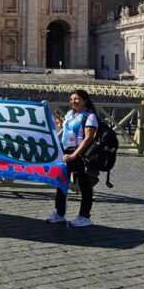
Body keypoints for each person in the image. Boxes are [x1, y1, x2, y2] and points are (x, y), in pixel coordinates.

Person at [47, 89, 99, 227]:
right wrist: (49, 110)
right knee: (61, 182)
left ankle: (84, 216)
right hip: (66, 151)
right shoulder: (71, 113)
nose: (73, 102)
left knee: (84, 185)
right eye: (71, 99)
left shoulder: (90, 115)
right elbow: (60, 124)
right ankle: (59, 213)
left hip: (81, 153)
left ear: (85, 100)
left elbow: (88, 138)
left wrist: (74, 155)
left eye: (76, 99)